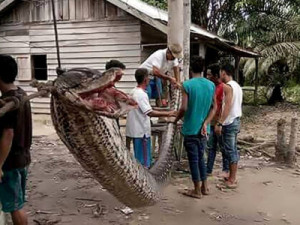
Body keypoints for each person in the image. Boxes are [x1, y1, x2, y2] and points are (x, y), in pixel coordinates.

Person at [174, 56, 217, 199]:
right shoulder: (211, 85)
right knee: (201, 158)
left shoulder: (187, 85)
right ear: (204, 69)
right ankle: (205, 187)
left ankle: (197, 190)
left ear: (191, 69)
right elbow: (214, 108)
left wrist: (175, 119)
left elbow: (184, 108)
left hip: (191, 128)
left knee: (193, 159)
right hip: (204, 129)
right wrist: (206, 123)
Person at [0, 55, 32, 225]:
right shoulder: (21, 94)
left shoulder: (10, 103)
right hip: (23, 157)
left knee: (15, 206)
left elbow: (8, 134)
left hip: (10, 162)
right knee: (17, 201)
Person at [126, 68, 177, 168]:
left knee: (139, 158)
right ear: (145, 79)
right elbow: (150, 113)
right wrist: (169, 113)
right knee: (144, 162)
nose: (150, 80)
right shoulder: (141, 94)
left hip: (135, 130)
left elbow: (146, 109)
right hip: (141, 132)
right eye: (148, 78)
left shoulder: (133, 91)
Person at [215, 63, 243, 188]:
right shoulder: (237, 86)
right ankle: (229, 175)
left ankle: (232, 179)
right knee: (229, 149)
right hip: (235, 119)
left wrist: (220, 122)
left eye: (221, 72)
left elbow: (227, 106)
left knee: (231, 150)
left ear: (224, 73)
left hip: (229, 121)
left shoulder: (227, 87)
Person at [206, 65, 229, 177]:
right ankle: (208, 169)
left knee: (222, 146)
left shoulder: (223, 87)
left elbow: (224, 106)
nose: (207, 76)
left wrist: (220, 122)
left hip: (219, 122)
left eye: (209, 74)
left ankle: (226, 169)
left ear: (215, 75)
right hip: (211, 121)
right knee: (211, 147)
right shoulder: (211, 86)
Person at [105, 60, 126, 128]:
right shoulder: (104, 87)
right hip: (108, 124)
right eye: (120, 72)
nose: (122, 74)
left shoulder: (111, 86)